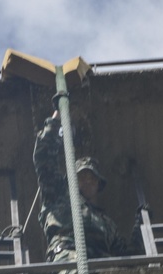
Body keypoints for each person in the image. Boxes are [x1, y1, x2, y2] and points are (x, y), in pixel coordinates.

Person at [33, 111, 131, 263]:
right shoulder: (58, 195)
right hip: (69, 262)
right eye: (82, 177)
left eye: (92, 178)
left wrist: (140, 228)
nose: (88, 181)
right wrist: (57, 117)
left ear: (98, 184)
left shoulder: (107, 223)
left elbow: (127, 257)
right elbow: (43, 156)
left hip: (104, 270)